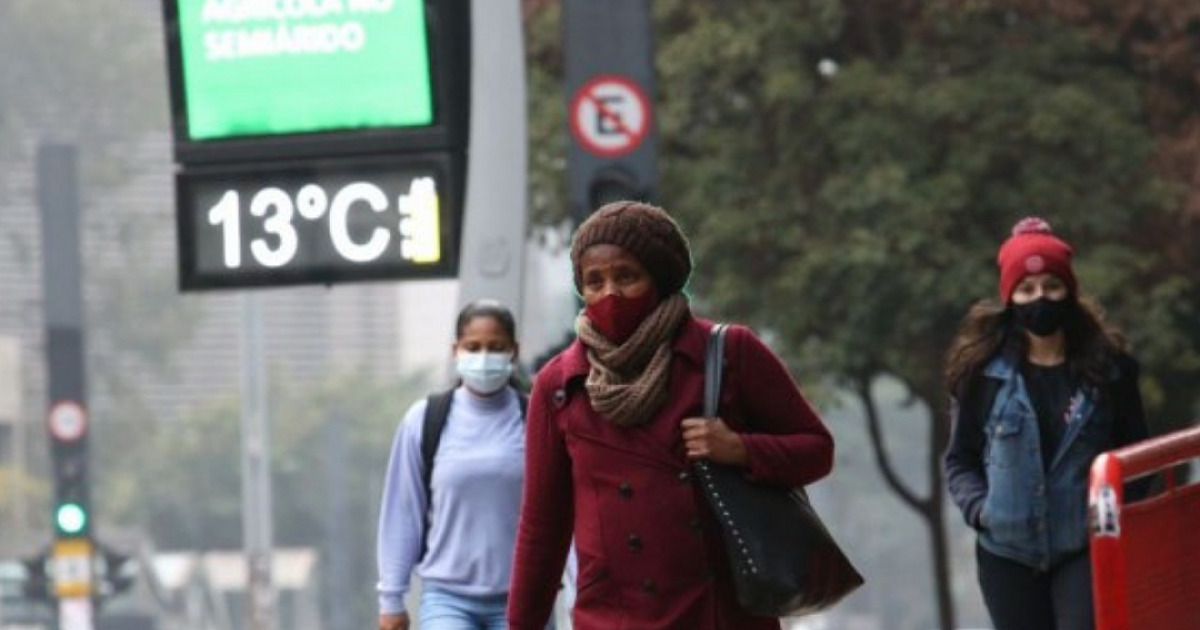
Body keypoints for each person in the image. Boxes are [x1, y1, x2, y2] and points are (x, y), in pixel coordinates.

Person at [506, 201, 835, 630]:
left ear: (659, 277)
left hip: (721, 615)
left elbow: (817, 450)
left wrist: (740, 449)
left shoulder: (729, 353)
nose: (610, 295)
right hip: (613, 619)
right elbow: (542, 527)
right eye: (594, 281)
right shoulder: (559, 385)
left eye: (626, 276)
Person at [943, 217, 1149, 630]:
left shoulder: (1110, 371)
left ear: (1069, 291)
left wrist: (1108, 513)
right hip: (1007, 554)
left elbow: (1135, 457)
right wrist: (982, 510)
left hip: (1081, 546)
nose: (1041, 298)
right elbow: (960, 461)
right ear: (1010, 298)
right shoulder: (982, 376)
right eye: (1027, 289)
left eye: (1052, 286)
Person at [376, 299, 528, 630]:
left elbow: (563, 513)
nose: (484, 357)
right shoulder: (423, 421)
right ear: (455, 350)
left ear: (514, 351)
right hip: (447, 600)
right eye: (473, 347)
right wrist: (391, 599)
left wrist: (578, 593)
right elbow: (403, 514)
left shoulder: (537, 421)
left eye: (496, 347)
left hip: (525, 597)